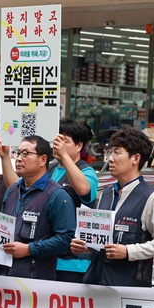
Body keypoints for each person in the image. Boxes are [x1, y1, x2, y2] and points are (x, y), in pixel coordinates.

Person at [70, 127, 154, 287]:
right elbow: (100, 238)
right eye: (110, 153)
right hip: (96, 283)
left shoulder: (151, 198)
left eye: (117, 153)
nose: (110, 159)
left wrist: (128, 251)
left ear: (135, 158)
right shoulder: (106, 193)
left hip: (128, 289)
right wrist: (84, 245)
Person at [0, 135, 75, 280]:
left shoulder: (57, 196)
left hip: (35, 282)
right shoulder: (12, 191)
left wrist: (28, 250)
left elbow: (65, 240)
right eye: (18, 153)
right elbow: (2, 228)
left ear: (43, 160)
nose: (19, 158)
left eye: (26, 154)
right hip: (2, 277)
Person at [51, 118, 99, 283]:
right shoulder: (49, 169)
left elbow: (84, 190)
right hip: (47, 257)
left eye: (65, 141)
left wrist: (64, 156)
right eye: (57, 140)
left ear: (79, 146)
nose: (58, 145)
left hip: (73, 264)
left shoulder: (87, 171)